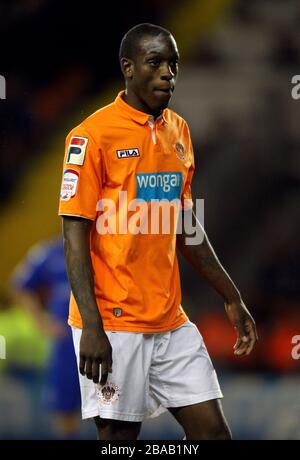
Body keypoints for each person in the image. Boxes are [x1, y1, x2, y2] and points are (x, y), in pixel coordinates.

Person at [58, 23, 258, 440]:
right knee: (119, 443)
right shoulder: (92, 136)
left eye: (173, 64)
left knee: (215, 436)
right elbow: (73, 239)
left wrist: (231, 295)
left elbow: (184, 224)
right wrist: (92, 328)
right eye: (155, 63)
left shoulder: (178, 132)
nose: (168, 73)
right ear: (128, 68)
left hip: (170, 320)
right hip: (113, 322)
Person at [11, 237, 81, 438]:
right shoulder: (48, 252)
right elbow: (20, 285)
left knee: (111, 408)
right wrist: (43, 324)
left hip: (107, 338)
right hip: (66, 343)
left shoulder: (107, 248)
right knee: (64, 408)